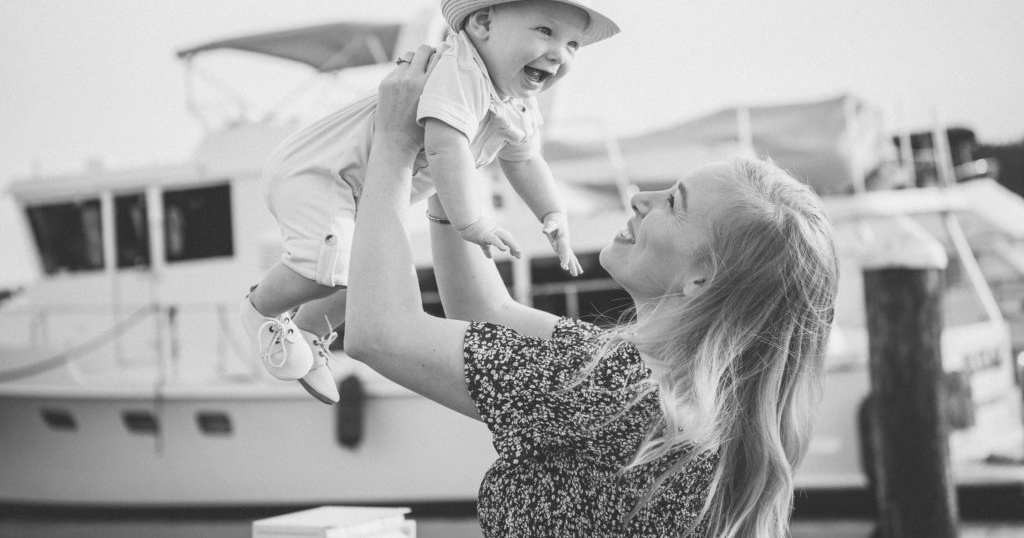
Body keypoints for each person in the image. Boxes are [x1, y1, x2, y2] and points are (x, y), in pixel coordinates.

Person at [342, 46, 840, 538]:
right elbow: (485, 310)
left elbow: (380, 333)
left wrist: (394, 144)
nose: (640, 198)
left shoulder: (613, 387)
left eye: (673, 203)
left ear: (702, 279)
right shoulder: (683, 399)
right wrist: (450, 161)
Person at [239, 0, 620, 404]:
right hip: (319, 174)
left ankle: (311, 328)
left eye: (573, 43)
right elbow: (445, 148)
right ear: (482, 23)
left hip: (359, 190)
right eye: (545, 31)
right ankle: (261, 308)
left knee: (362, 271)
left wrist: (552, 213)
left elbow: (525, 159)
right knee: (322, 271)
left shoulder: (515, 103)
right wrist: (471, 221)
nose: (559, 53)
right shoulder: (460, 72)